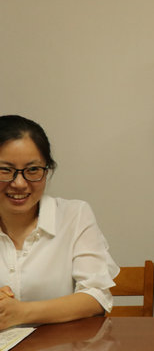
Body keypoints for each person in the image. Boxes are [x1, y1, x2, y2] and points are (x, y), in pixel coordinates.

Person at [0, 115, 118, 330]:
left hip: (58, 349)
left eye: (33, 170)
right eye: (5, 170)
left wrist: (21, 312)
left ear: (47, 170)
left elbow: (96, 297)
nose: (19, 183)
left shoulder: (74, 215)